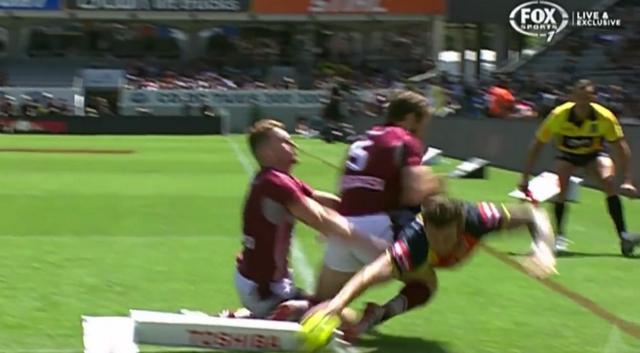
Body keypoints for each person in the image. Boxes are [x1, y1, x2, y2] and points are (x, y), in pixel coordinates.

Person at [306, 197, 557, 341]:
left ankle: (374, 315)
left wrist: (543, 248)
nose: (439, 243)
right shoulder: (414, 241)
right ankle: (342, 311)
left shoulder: (480, 218)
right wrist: (338, 304)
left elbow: (534, 214)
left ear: (459, 225)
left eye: (446, 238)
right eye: (433, 236)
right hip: (382, 235)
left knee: (428, 281)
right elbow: (370, 273)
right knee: (427, 283)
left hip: (392, 235)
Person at [232, 119, 387, 320]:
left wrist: (367, 207)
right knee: (341, 318)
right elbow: (319, 217)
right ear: (267, 153)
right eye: (286, 142)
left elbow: (324, 201)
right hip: (264, 288)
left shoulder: (280, 179)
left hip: (263, 281)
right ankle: (286, 312)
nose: (294, 145)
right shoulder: (274, 182)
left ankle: (266, 313)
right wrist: (371, 244)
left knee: (335, 312)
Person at [314, 90, 443, 304]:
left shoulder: (361, 140)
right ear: (411, 118)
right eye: (423, 124)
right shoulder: (407, 140)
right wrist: (435, 187)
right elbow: (414, 193)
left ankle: (288, 311)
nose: (423, 131)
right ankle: (375, 316)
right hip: (377, 228)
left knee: (320, 302)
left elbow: (343, 188)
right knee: (426, 282)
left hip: (342, 226)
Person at [519, 79, 639, 256]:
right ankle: (559, 237)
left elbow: (621, 148)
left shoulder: (605, 117)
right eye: (580, 97)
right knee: (562, 180)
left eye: (588, 97)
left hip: (594, 153)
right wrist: (525, 177)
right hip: (567, 154)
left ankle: (623, 235)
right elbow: (537, 145)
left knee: (608, 180)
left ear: (593, 98)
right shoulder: (559, 115)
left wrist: (628, 180)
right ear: (572, 98)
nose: (583, 102)